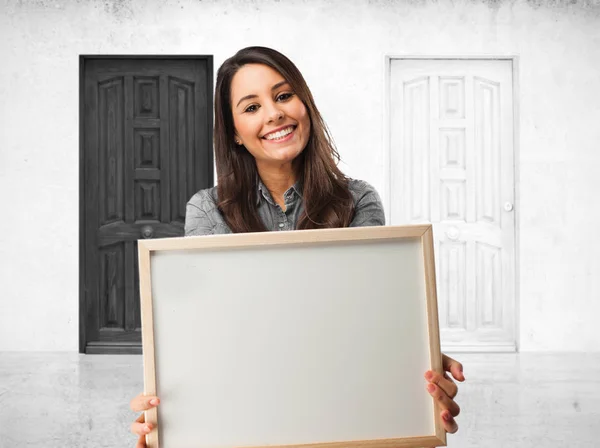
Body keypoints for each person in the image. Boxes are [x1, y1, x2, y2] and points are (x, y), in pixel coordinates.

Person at [129, 46, 465, 448]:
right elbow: (208, 337)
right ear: (234, 130)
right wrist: (172, 412)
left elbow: (364, 320)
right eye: (251, 107)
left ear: (305, 103)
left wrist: (412, 350)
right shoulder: (207, 209)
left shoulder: (358, 201)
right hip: (247, 416)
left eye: (284, 95)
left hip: (341, 413)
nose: (273, 114)